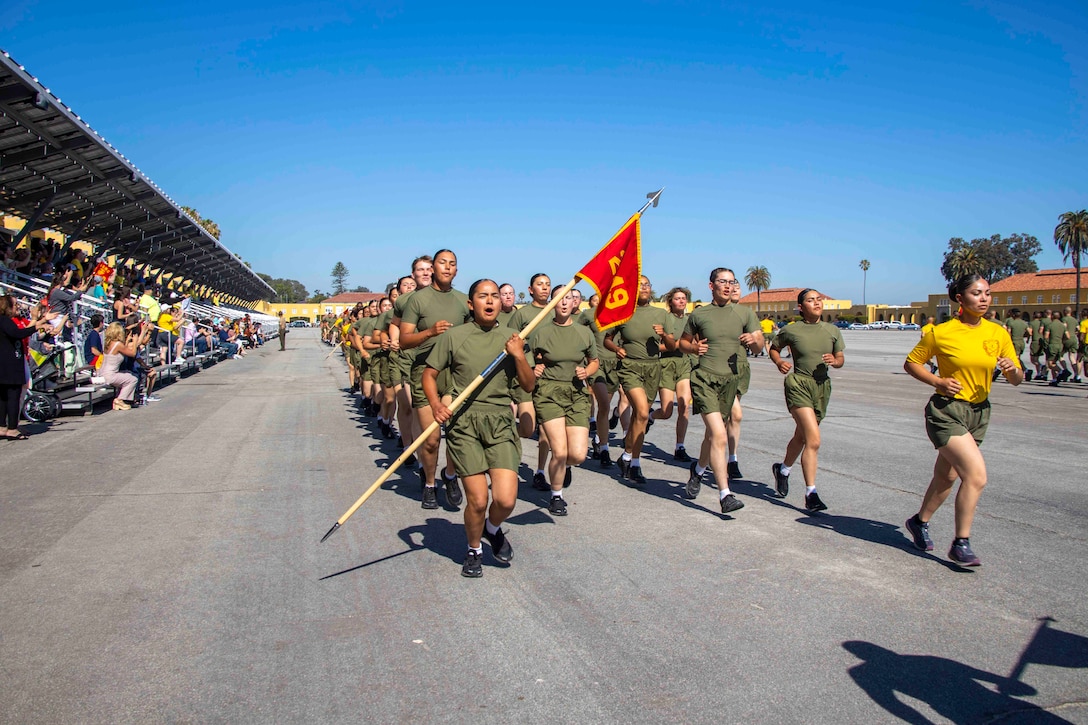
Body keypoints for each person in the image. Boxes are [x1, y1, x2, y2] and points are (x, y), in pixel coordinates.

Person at [903, 274, 1022, 566]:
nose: (984, 299)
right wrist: (937, 381)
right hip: (947, 411)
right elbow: (911, 363)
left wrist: (1011, 369)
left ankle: (919, 521)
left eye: (987, 294)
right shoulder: (941, 332)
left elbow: (1017, 378)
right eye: (976, 293)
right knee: (976, 476)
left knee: (948, 476)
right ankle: (961, 543)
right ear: (960, 298)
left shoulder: (998, 333)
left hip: (979, 412)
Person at [423, 279, 535, 577]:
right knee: (478, 499)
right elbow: (429, 375)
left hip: (500, 422)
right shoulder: (455, 337)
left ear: (501, 303)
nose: (490, 301)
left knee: (506, 499)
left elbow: (528, 384)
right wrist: (436, 405)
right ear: (471, 304)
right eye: (482, 296)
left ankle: (492, 527)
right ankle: (474, 549)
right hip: (464, 424)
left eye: (495, 296)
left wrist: (519, 354)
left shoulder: (513, 338)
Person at [679, 268, 763, 514]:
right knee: (719, 434)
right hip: (705, 379)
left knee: (712, 436)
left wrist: (753, 340)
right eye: (722, 282)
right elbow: (683, 343)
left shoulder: (745, 313)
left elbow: (760, 344)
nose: (727, 286)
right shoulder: (699, 315)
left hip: (730, 382)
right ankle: (725, 495)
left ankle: (698, 470)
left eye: (731, 282)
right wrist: (694, 348)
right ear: (711, 285)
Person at [399, 249, 471, 509]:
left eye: (453, 264)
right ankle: (429, 483)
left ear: (457, 270)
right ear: (433, 269)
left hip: (455, 374)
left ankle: (450, 475)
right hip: (425, 372)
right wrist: (429, 332)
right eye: (443, 263)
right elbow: (404, 340)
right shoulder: (416, 301)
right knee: (430, 438)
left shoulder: (464, 301)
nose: (448, 268)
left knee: (455, 433)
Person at [768, 289, 846, 512]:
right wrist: (779, 362)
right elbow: (774, 349)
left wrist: (835, 361)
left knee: (802, 436)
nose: (817, 303)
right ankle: (811, 493)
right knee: (813, 439)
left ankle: (782, 470)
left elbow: (840, 358)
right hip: (798, 384)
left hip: (821, 388)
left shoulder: (832, 331)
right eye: (811, 300)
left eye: (819, 299)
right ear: (801, 307)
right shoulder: (791, 330)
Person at [526, 287, 599, 515]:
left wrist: (587, 371)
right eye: (559, 299)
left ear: (574, 302)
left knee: (577, 454)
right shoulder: (540, 332)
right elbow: (527, 357)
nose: (564, 303)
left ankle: (565, 467)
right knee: (559, 450)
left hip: (576, 393)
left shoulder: (583, 332)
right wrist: (533, 368)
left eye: (568, 298)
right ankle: (556, 496)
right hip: (549, 393)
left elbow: (594, 361)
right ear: (552, 303)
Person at [603, 275, 676, 486]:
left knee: (640, 418)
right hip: (629, 367)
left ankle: (629, 458)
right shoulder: (624, 312)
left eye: (646, 285)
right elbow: (607, 339)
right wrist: (617, 348)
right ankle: (634, 461)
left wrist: (665, 336)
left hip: (653, 368)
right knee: (643, 412)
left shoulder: (661, 314)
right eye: (639, 285)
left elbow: (672, 346)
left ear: (651, 289)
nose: (643, 288)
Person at [0, 295, 52, 439]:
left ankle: (2, 426)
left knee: (3, 397)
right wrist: (35, 327)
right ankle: (11, 428)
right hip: (10, 366)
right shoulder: (5, 321)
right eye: (14, 304)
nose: (17, 307)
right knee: (12, 397)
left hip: (4, 366)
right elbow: (18, 334)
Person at [653, 287, 694, 462]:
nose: (681, 301)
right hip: (666, 364)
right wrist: (677, 344)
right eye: (677, 298)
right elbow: (657, 347)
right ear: (671, 301)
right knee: (667, 411)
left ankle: (680, 446)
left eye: (684, 298)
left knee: (684, 406)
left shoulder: (691, 320)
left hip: (684, 364)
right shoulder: (665, 319)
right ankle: (650, 416)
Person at [1003, 309, 1029, 379]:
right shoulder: (1024, 323)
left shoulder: (1011, 322)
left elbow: (1008, 333)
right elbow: (1030, 332)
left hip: (1014, 342)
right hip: (1021, 342)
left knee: (1014, 359)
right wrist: (1028, 338)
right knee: (1018, 358)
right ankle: (1024, 370)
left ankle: (1020, 372)